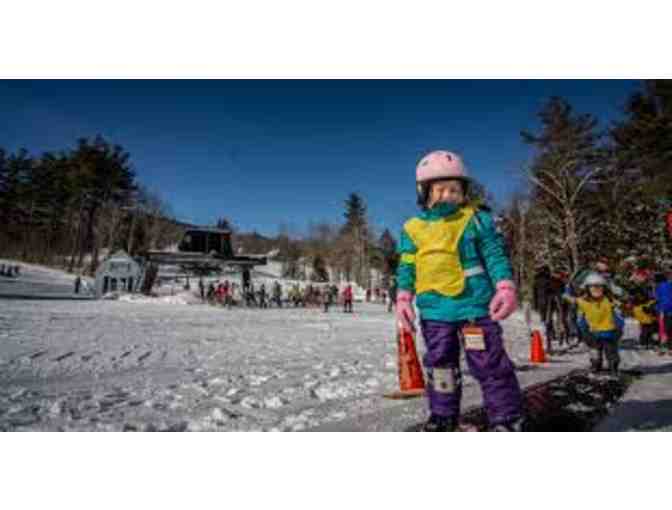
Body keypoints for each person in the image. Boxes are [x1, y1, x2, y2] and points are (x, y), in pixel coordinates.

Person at [396, 150, 522, 432]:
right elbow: (406, 266)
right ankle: (443, 415)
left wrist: (504, 285)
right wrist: (403, 297)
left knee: (489, 364)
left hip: (475, 309)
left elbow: (494, 254)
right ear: (424, 192)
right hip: (435, 311)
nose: (448, 196)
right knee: (440, 364)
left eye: (454, 189)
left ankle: (506, 417)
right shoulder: (413, 229)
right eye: (440, 190)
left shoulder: (476, 219)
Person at [563, 272, 624, 374]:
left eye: (599, 287)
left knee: (611, 351)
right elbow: (572, 300)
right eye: (592, 287)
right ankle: (596, 365)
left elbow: (621, 310)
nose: (596, 290)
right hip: (593, 333)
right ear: (587, 289)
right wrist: (566, 289)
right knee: (594, 351)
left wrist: (618, 330)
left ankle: (613, 367)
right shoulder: (583, 301)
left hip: (609, 332)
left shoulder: (609, 301)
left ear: (604, 288)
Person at [654, 271, 672, 354]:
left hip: (663, 310)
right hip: (670, 310)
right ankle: (670, 346)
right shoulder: (670, 285)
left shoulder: (658, 287)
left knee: (663, 328)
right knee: (670, 328)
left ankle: (663, 346)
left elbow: (657, 298)